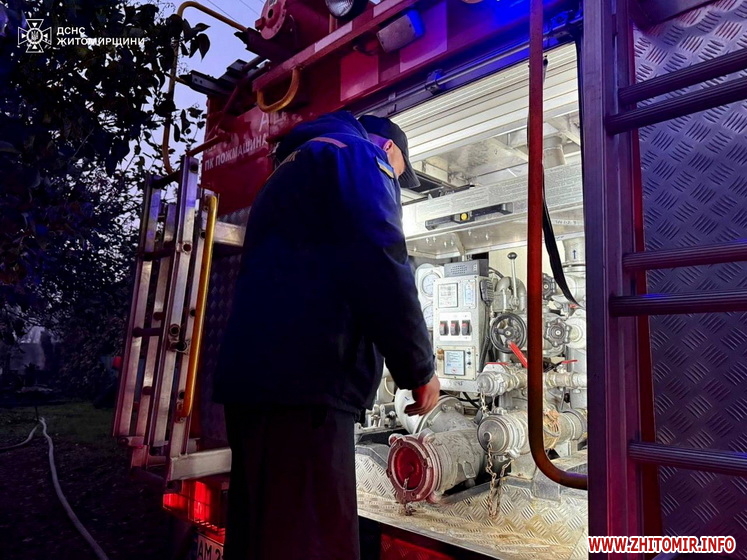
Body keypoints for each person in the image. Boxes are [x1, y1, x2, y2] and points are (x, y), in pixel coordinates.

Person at [214, 111, 440, 560]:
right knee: (312, 543)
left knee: (261, 538)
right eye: (398, 173)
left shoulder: (292, 167)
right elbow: (379, 257)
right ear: (388, 149)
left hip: (257, 385)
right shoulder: (357, 154)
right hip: (308, 388)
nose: (394, 179)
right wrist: (418, 368)